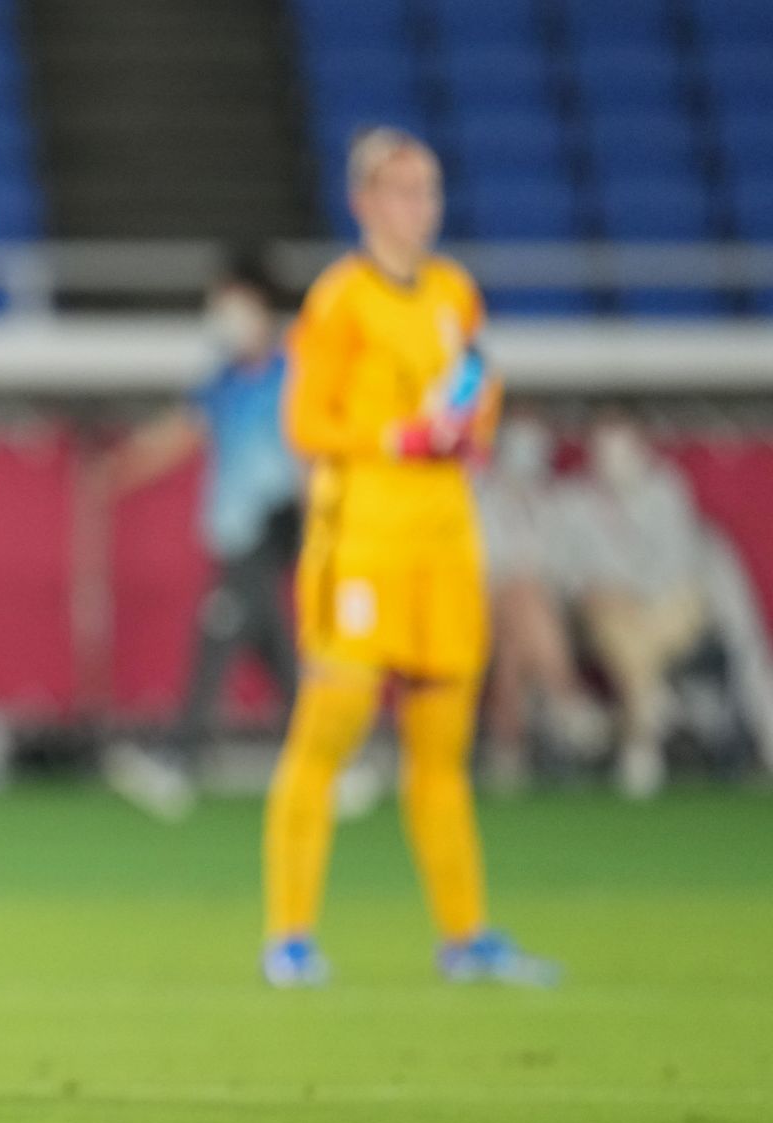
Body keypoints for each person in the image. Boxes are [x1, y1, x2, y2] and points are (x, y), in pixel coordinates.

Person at [261, 127, 556, 988]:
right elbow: (305, 423)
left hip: (443, 542)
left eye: (428, 190)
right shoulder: (339, 301)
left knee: (441, 748)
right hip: (362, 539)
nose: (419, 206)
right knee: (328, 735)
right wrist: (398, 434)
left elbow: (477, 388)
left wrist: (471, 428)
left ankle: (465, 936)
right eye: (401, 190)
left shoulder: (454, 293)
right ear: (363, 203)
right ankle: (289, 936)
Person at [104, 260, 304, 819]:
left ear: (262, 307)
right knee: (268, 646)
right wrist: (123, 465)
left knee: (218, 634)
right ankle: (331, 755)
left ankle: (179, 760)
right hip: (232, 530)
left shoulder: (294, 374)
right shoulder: (224, 379)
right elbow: (182, 432)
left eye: (234, 303)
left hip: (272, 523)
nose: (225, 317)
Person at [555, 414, 713, 798]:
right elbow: (564, 570)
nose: (614, 455)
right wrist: (600, 590)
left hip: (665, 605)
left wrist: (633, 593)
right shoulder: (574, 500)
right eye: (605, 444)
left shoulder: (667, 489)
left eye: (622, 443)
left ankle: (640, 734)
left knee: (643, 631)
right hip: (606, 613)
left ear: (642, 445)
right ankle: (649, 724)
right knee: (619, 629)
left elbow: (678, 561)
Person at [473, 412, 610, 790]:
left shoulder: (558, 503)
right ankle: (565, 696)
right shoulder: (480, 494)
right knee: (518, 596)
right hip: (487, 603)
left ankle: (507, 747)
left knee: (519, 623)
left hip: (548, 610)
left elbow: (570, 568)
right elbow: (478, 563)